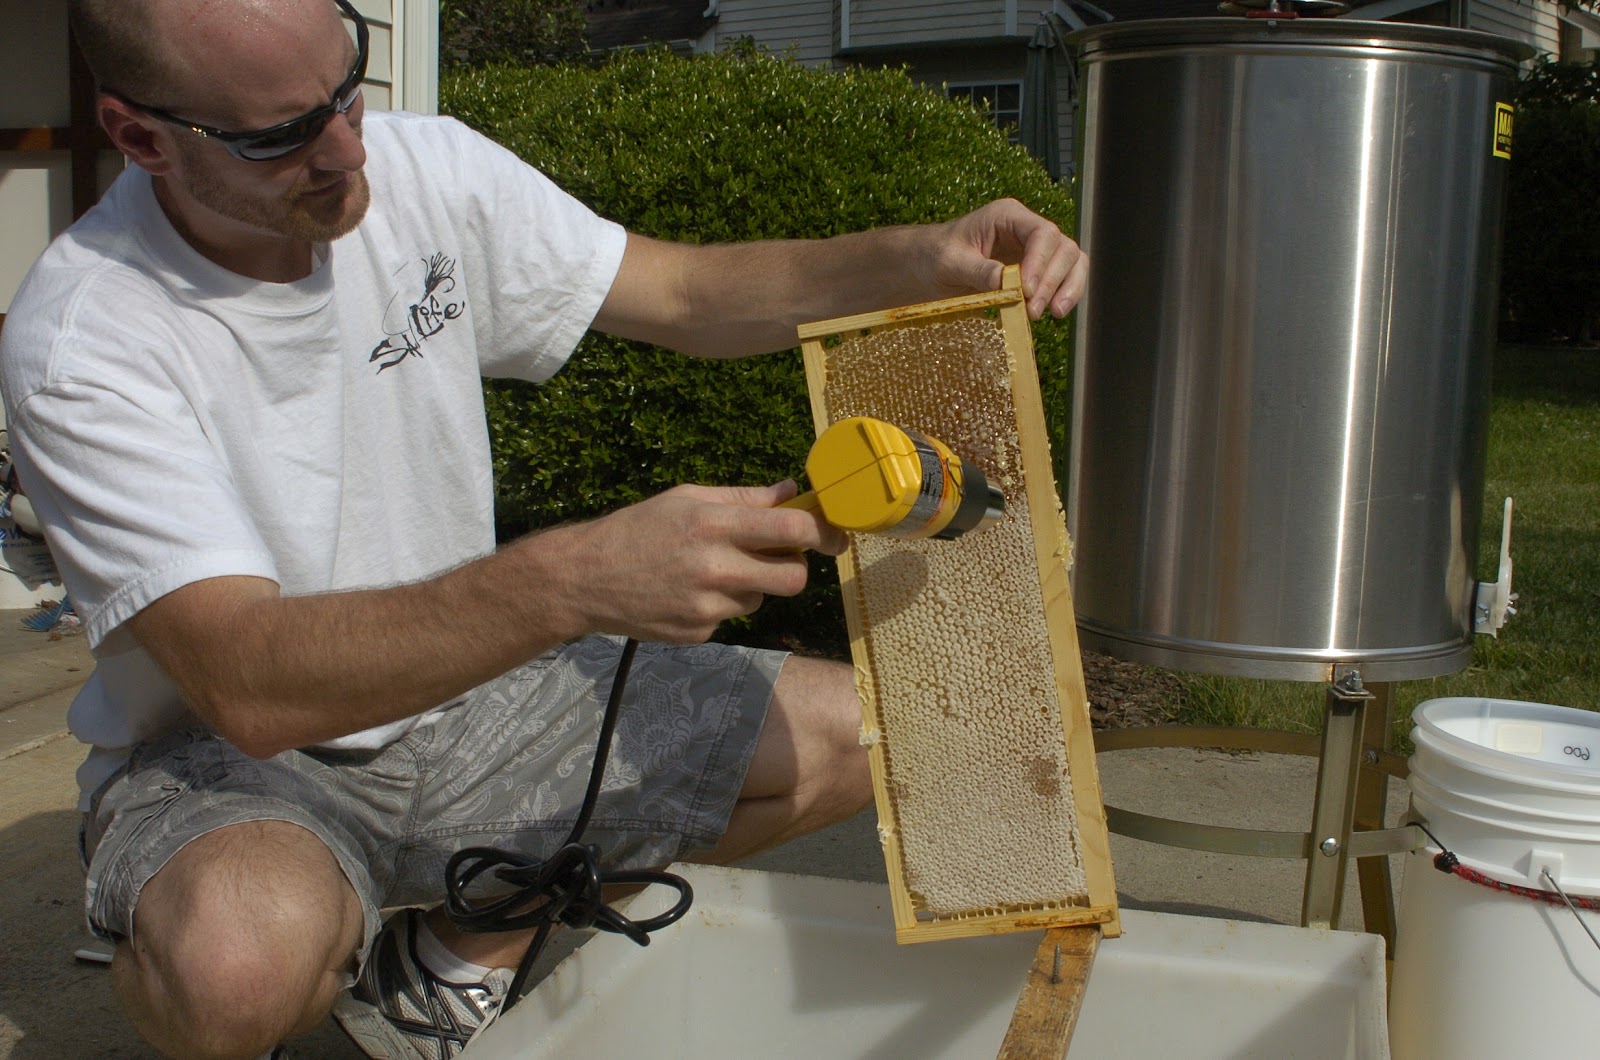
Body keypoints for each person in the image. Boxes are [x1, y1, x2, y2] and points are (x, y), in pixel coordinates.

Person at [0, 0, 1089, 1057]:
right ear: (142, 136)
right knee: (237, 969)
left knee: (867, 733)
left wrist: (914, 256)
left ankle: (447, 961)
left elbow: (683, 292)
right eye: (279, 134)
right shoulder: (88, 339)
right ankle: (249, 939)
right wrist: (571, 581)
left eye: (346, 85)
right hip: (233, 761)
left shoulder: (426, 170)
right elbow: (249, 684)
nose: (347, 150)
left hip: (472, 693)